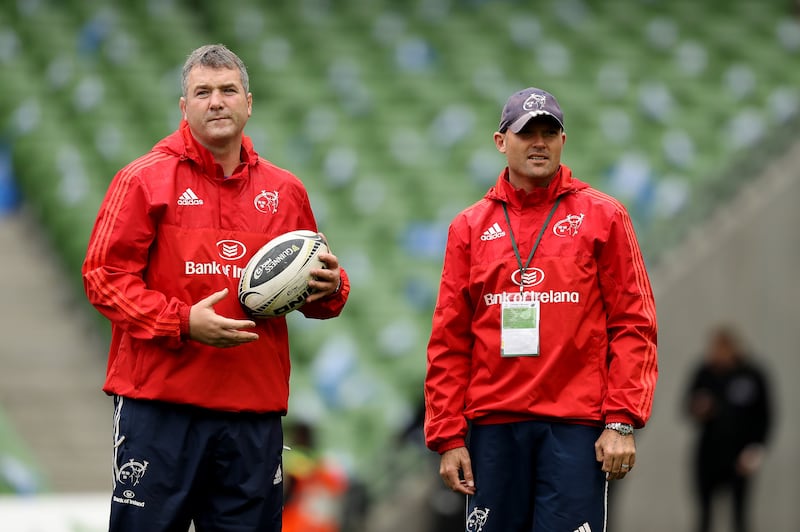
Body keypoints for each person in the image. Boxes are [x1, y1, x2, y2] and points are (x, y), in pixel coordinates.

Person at [82, 44, 349, 532]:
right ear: (184, 108)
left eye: (228, 90)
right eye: (202, 92)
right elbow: (103, 277)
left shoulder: (286, 190)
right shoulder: (143, 180)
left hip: (252, 411)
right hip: (161, 408)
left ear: (249, 102)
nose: (217, 102)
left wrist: (330, 287)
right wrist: (183, 323)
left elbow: (322, 290)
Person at [424, 87, 658, 531]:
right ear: (500, 141)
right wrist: (448, 436)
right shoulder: (469, 227)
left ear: (563, 141)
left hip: (573, 427)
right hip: (494, 428)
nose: (539, 142)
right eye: (526, 132)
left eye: (549, 132)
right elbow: (449, 340)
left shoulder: (604, 217)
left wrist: (622, 421)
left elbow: (634, 325)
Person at [685, 325, 772, 532]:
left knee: (739, 515)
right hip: (708, 454)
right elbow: (687, 405)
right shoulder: (705, 372)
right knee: (704, 515)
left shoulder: (752, 375)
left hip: (740, 454)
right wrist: (699, 408)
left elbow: (765, 415)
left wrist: (756, 449)